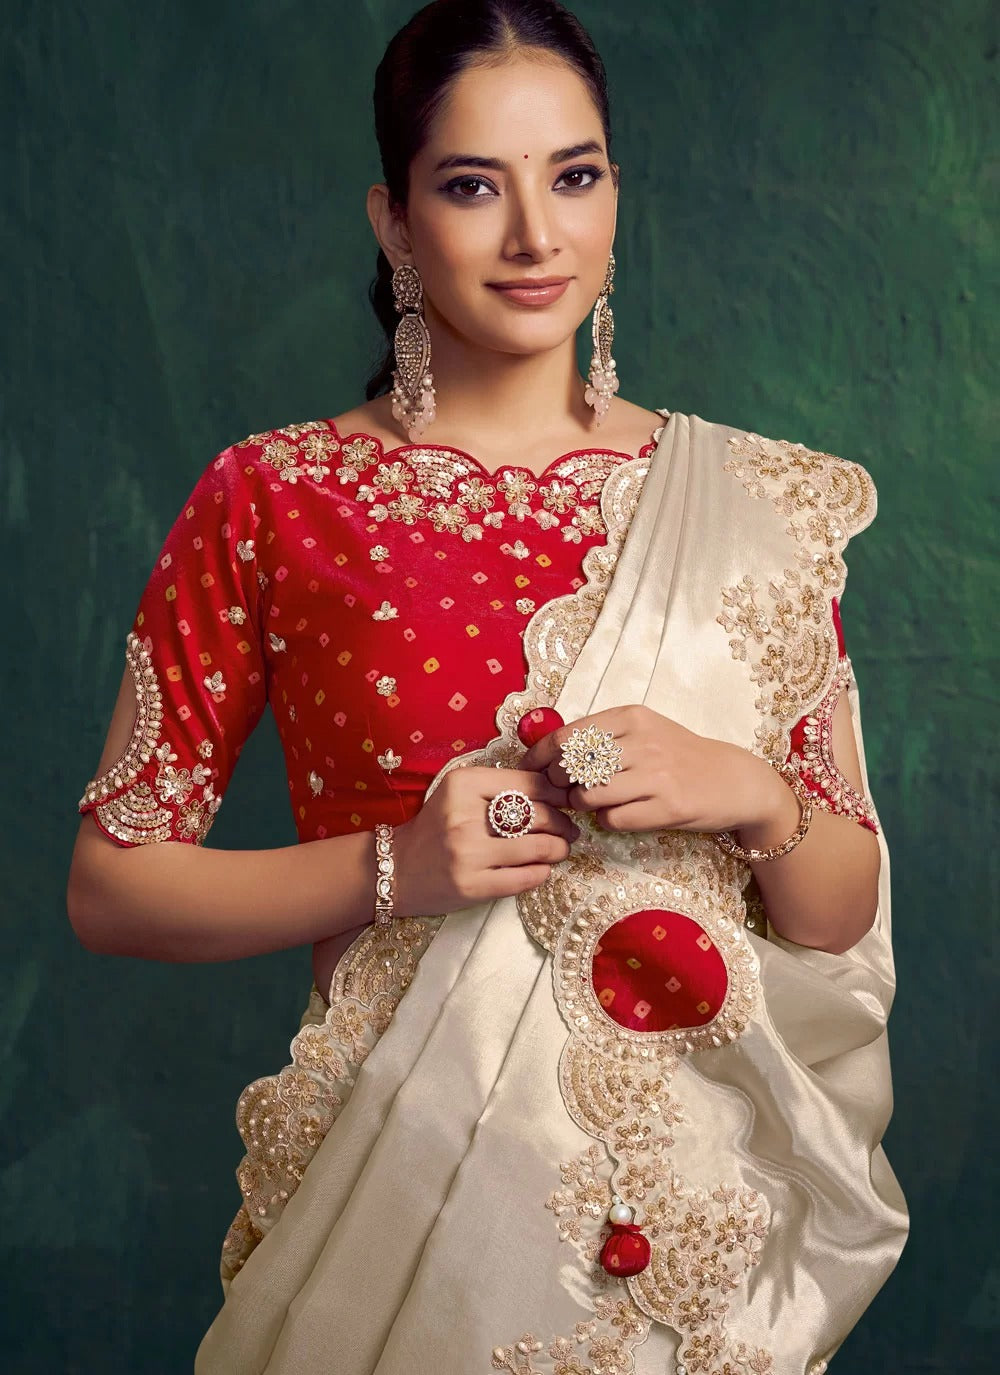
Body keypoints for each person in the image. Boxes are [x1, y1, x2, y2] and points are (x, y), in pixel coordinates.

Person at [66, 2, 908, 1371]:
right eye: (472, 187)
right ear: (395, 223)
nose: (536, 237)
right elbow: (113, 888)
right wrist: (395, 868)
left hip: (693, 1227)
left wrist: (751, 794)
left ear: (615, 195)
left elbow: (837, 913)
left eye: (574, 176)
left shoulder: (750, 500)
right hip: (405, 1208)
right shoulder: (279, 498)